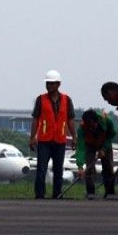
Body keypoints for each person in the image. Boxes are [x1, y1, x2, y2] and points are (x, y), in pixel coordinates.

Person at [29, 70, 77, 199]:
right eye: (47, 83)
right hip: (44, 140)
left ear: (58, 84)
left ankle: (57, 193)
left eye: (51, 83)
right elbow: (35, 119)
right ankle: (39, 194)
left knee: (58, 169)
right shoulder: (41, 99)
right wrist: (32, 137)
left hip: (60, 140)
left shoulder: (67, 100)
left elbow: (70, 120)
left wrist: (74, 137)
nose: (49, 86)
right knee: (41, 169)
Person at [74, 109, 117, 199]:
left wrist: (103, 149)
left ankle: (110, 193)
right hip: (89, 144)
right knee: (89, 166)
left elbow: (111, 135)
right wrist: (80, 167)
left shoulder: (107, 121)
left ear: (97, 122)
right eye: (88, 127)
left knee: (108, 167)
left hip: (105, 142)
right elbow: (80, 148)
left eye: (92, 126)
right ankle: (91, 193)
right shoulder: (81, 128)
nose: (90, 129)